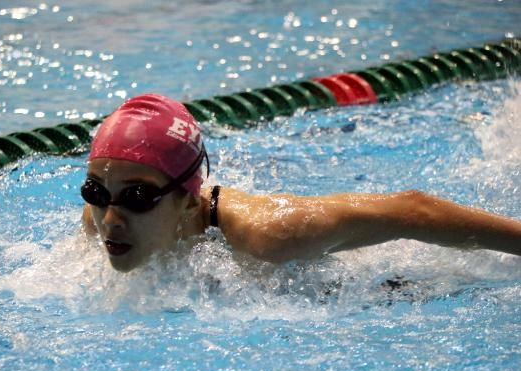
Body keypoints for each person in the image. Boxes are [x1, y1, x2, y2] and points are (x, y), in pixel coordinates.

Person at [81, 93, 521, 272]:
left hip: (369, 276)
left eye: (137, 197)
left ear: (188, 200)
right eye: (96, 193)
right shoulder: (100, 218)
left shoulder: (270, 234)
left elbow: (411, 210)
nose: (109, 219)